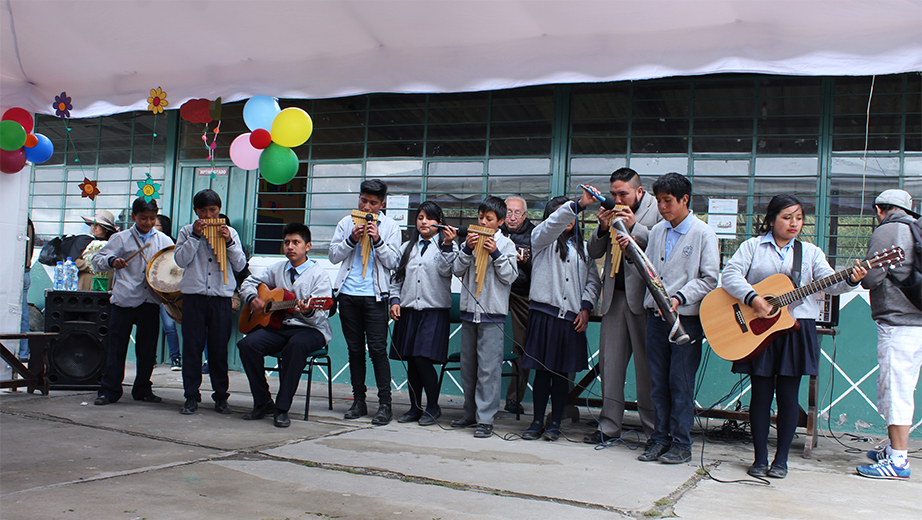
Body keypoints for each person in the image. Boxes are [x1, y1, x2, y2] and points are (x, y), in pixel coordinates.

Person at [721, 194, 866, 478]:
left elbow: (831, 284)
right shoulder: (752, 247)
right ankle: (759, 459)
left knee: (788, 396)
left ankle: (781, 461)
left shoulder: (810, 252)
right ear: (772, 219)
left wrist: (851, 279)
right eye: (787, 217)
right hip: (758, 329)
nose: (794, 223)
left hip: (797, 329)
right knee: (761, 395)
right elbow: (730, 275)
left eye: (798, 217)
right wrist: (753, 298)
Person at [636, 173, 719, 464]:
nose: (661, 206)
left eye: (667, 201)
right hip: (656, 317)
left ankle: (682, 444)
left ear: (685, 200)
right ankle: (659, 439)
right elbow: (649, 272)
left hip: (686, 319)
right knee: (657, 382)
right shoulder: (658, 231)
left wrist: (679, 297)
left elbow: (710, 279)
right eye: (658, 201)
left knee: (680, 383)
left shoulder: (702, 233)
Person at [585, 167, 662, 445]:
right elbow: (593, 252)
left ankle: (653, 429)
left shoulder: (656, 211)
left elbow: (661, 245)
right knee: (610, 364)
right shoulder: (610, 210)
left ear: (639, 192)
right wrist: (603, 228)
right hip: (614, 296)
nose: (617, 199)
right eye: (614, 193)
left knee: (647, 368)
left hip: (644, 298)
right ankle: (609, 425)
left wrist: (634, 228)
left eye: (623, 194)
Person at [520, 192, 601, 441]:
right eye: (559, 213)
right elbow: (552, 225)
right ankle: (536, 422)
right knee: (542, 372)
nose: (567, 218)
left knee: (561, 374)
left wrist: (585, 306)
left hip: (571, 319)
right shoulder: (541, 240)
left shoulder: (583, 249)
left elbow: (592, 281)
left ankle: (555, 423)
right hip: (544, 315)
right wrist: (575, 205)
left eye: (571, 214)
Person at [237, 222, 333, 428]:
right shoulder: (276, 269)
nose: (290, 246)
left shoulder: (319, 275)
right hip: (281, 327)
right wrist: (252, 298)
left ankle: (282, 408)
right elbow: (247, 283)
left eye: (296, 242)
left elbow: (322, 316)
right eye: (286, 242)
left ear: (307, 246)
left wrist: (308, 310)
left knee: (296, 346)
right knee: (247, 345)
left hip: (311, 330)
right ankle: (263, 402)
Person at [857, 189, 921, 480]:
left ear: (880, 209)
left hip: (898, 323)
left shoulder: (889, 230)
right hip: (917, 321)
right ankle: (894, 450)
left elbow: (871, 278)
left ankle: (897, 460)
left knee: (895, 390)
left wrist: (861, 273)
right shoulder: (916, 228)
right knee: (903, 387)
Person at [330, 179, 402, 425]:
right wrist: (351, 239)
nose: (368, 207)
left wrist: (378, 240)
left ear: (382, 204)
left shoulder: (391, 227)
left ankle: (385, 404)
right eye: (363, 201)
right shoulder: (345, 223)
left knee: (378, 350)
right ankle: (358, 401)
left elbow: (393, 262)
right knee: (355, 350)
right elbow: (332, 256)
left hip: (375, 296)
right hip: (348, 295)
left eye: (373, 203)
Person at [92, 198, 173, 406]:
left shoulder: (164, 240)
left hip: (150, 300)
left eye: (152, 218)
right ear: (134, 217)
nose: (148, 222)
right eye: (143, 218)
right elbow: (97, 261)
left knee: (147, 350)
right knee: (116, 347)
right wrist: (112, 261)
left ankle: (143, 389)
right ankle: (109, 390)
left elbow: (173, 265)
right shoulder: (121, 238)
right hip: (124, 299)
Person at [449, 196, 518, 438]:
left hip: (493, 314)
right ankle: (470, 414)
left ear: (500, 221)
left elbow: (510, 277)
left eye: (489, 219)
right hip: (469, 313)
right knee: (468, 368)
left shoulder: (507, 245)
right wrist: (467, 248)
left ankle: (486, 419)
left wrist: (496, 254)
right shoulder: (468, 241)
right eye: (480, 218)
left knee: (488, 369)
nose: (483, 223)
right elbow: (456, 270)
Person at [174, 189, 247, 415]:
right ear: (196, 212)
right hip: (194, 298)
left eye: (212, 210)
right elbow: (180, 260)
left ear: (219, 210)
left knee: (218, 351)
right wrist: (195, 237)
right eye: (203, 211)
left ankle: (221, 397)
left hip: (221, 299)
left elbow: (240, 265)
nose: (208, 215)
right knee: (192, 349)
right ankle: (191, 396)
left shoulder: (230, 232)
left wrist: (229, 243)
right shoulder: (186, 231)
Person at [388, 201, 458, 426]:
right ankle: (414, 408)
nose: (424, 222)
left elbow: (448, 271)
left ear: (439, 222)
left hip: (433, 311)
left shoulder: (448, 246)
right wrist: (395, 300)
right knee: (411, 360)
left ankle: (433, 407)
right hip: (409, 311)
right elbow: (396, 279)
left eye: (429, 218)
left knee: (422, 358)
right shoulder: (406, 247)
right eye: (420, 218)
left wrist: (448, 244)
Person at [499, 196, 535, 415]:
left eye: (516, 213)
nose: (511, 218)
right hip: (497, 289)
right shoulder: (495, 229)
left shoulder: (534, 234)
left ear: (525, 215)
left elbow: (541, 270)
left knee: (522, 345)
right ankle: (480, 399)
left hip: (522, 291)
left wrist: (526, 262)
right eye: (508, 212)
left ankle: (514, 398)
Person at [153, 214, 181, 371]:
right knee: (149, 326)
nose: (153, 227)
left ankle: (175, 358)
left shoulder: (171, 244)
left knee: (169, 325)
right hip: (148, 290)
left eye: (157, 225)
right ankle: (150, 357)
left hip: (165, 291)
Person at [76, 210, 118, 290]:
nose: (93, 227)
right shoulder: (84, 242)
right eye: (92, 224)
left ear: (106, 229)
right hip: (84, 284)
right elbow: (74, 261)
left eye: (97, 225)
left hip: (104, 286)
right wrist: (91, 265)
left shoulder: (113, 245)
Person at [19, 218, 35, 361]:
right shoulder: (27, 222)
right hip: (25, 269)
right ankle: (23, 352)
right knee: (22, 312)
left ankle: (23, 351)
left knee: (21, 312)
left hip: (18, 270)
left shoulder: (19, 221)